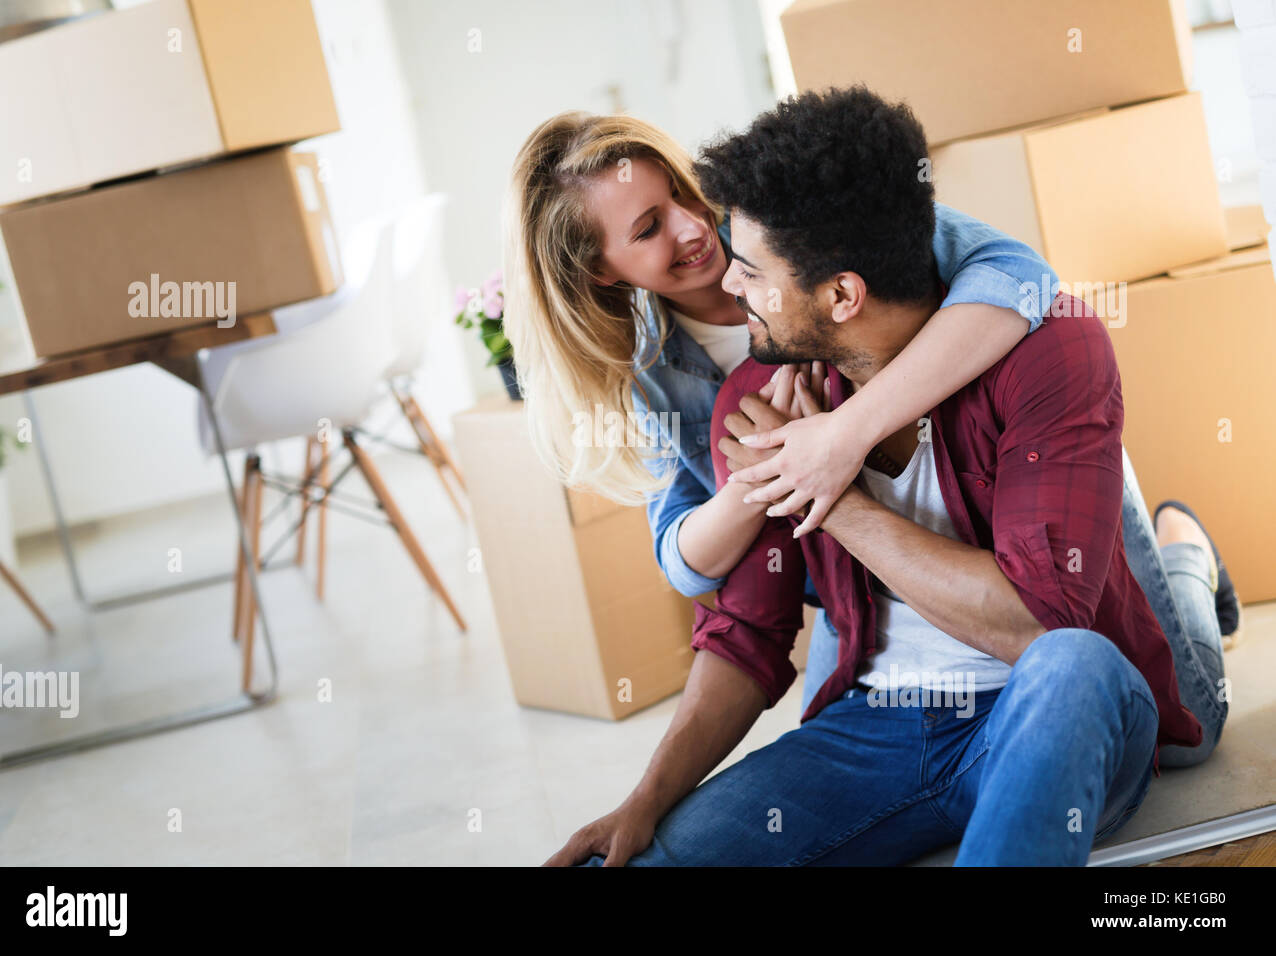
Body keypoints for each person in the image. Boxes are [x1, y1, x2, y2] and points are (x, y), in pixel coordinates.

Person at [547, 86, 1230, 867]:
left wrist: (829, 492)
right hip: (875, 727)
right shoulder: (757, 395)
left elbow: (1044, 625)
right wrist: (645, 799)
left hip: (1038, 698)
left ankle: (1182, 552)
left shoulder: (1048, 340)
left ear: (842, 292)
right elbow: (746, 628)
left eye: (752, 269)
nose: (730, 287)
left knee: (1129, 682)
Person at [503, 110, 1058, 677]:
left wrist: (843, 435)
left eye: (678, 190)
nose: (693, 225)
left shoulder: (786, 221)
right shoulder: (646, 372)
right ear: (600, 270)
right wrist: (768, 469)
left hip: (986, 544)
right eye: (648, 229)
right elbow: (684, 562)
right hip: (863, 600)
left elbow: (1022, 278)